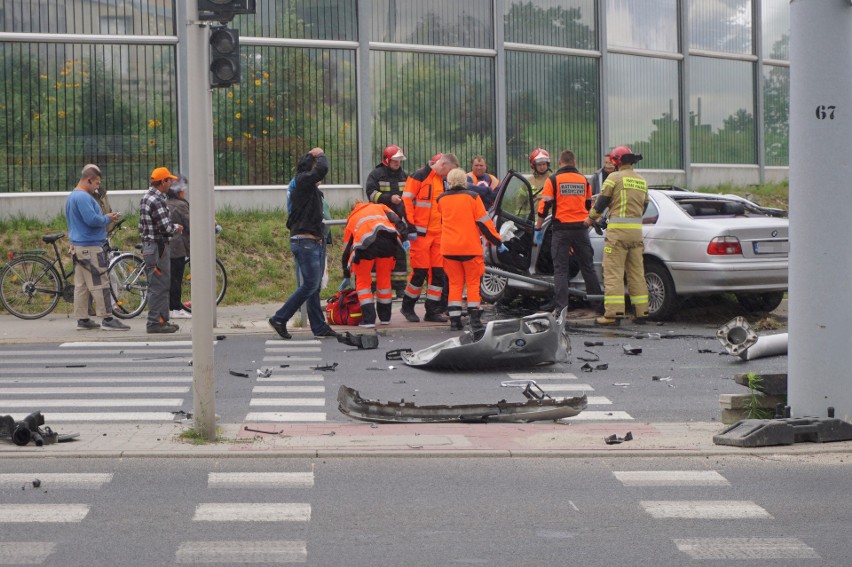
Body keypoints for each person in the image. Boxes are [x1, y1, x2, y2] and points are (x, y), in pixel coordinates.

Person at [269, 147, 337, 340]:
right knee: (309, 285)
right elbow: (321, 169)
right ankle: (280, 317)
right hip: (304, 242)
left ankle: (319, 326)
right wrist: (320, 154)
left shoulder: (309, 188)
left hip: (311, 241)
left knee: (314, 286)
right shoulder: (302, 181)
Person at [584, 145, 650, 326]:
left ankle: (613, 314)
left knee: (613, 272)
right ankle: (641, 312)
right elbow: (644, 206)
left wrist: (590, 220)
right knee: (637, 273)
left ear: (618, 161)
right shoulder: (641, 180)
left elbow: (601, 202)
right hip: (636, 234)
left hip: (617, 235)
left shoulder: (614, 178)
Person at [535, 150, 603, 315]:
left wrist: (538, 227)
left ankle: (561, 308)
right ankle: (599, 306)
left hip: (561, 230)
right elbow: (589, 206)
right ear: (574, 162)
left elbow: (544, 206)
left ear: (560, 163)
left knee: (560, 269)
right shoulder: (583, 180)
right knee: (587, 267)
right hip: (581, 229)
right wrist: (594, 222)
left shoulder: (553, 180)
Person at [65, 164, 130, 331]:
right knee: (100, 282)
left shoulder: (72, 196)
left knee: (82, 285)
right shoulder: (84, 198)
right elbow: (92, 220)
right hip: (91, 247)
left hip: (78, 247)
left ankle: (82, 319)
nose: (98, 187)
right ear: (89, 180)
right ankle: (107, 318)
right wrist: (107, 218)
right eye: (97, 183)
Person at [437, 168, 503, 331]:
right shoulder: (473, 197)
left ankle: (454, 320)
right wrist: (497, 241)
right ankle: (475, 320)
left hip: (449, 249)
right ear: (465, 182)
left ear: (449, 182)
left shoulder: (441, 200)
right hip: (469, 248)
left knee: (454, 284)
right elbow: (483, 223)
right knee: (473, 284)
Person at [400, 152, 460, 323]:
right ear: (443, 165)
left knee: (438, 274)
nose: (450, 175)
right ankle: (407, 306)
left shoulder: (442, 181)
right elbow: (406, 201)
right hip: (420, 234)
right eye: (449, 171)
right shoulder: (419, 176)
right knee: (420, 272)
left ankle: (431, 311)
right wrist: (410, 227)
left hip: (439, 234)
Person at [341, 201, 408, 327]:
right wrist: (402, 238)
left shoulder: (353, 219)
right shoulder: (381, 207)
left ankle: (369, 319)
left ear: (353, 209)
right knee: (384, 281)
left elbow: (347, 249)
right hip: (388, 243)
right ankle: (385, 318)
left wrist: (346, 272)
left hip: (365, 247)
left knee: (363, 282)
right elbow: (398, 221)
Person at [139, 166, 183, 334]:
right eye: (169, 180)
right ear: (163, 181)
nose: (171, 183)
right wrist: (176, 228)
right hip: (159, 247)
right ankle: (155, 323)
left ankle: (162, 321)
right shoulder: (157, 200)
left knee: (158, 284)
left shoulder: (146, 197)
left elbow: (141, 225)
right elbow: (165, 227)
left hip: (150, 246)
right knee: (159, 285)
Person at [364, 145, 410, 295]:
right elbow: (371, 194)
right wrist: (389, 198)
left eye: (399, 160)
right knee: (377, 253)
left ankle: (400, 287)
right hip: (380, 221)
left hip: (397, 220)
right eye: (395, 160)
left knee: (399, 255)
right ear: (387, 160)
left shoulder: (405, 176)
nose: (397, 163)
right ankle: (374, 285)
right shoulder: (376, 175)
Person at [167, 175, 191, 319]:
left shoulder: (166, 202)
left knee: (170, 278)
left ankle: (170, 308)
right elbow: (191, 222)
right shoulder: (181, 205)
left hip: (167, 245)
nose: (185, 191)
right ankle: (175, 308)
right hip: (177, 247)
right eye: (183, 189)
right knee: (176, 278)